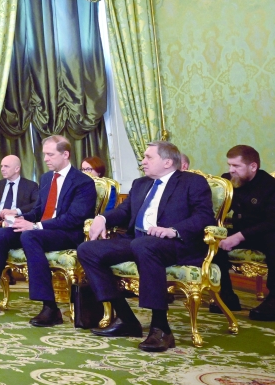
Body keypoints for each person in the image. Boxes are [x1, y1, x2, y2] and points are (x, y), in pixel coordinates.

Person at [77, 141, 214, 352]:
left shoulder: (192, 182)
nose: (143, 161)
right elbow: (124, 212)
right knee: (88, 250)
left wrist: (173, 230)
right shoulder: (141, 183)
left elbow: (204, 216)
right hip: (137, 240)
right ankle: (126, 319)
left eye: (149, 157)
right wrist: (102, 218)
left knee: (145, 246)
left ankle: (161, 328)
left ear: (167, 162)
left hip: (174, 244)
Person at [0, 135, 97, 326]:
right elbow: (38, 211)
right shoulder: (46, 177)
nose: (45, 159)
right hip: (41, 230)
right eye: (44, 155)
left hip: (66, 233)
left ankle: (50, 307)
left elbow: (75, 218)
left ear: (65, 154)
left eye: (50, 155)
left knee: (30, 236)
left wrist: (35, 226)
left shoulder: (83, 182)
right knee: (1, 234)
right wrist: (18, 220)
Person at [213, 145, 275, 320]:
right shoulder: (228, 181)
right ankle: (227, 295)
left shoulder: (269, 186)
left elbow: (271, 222)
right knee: (212, 239)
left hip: (265, 232)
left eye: (236, 166)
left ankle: (273, 299)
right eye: (229, 165)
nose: (231, 170)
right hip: (241, 230)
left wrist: (238, 237)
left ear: (253, 167)